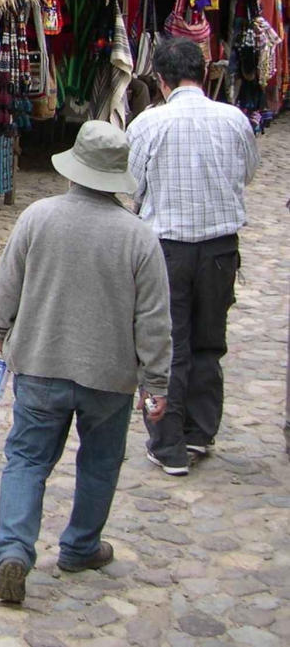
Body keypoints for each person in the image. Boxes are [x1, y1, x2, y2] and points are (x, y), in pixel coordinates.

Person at [0, 120, 171, 604]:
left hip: (41, 362)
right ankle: (80, 546)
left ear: (74, 168)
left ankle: (13, 550)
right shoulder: (139, 238)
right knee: (100, 462)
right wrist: (157, 382)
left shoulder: (37, 217)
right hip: (108, 377)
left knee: (26, 459)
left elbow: (7, 287)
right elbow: (153, 320)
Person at [127, 37, 258, 476]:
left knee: (166, 345)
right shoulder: (234, 119)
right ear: (201, 74)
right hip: (221, 249)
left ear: (161, 80)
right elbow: (247, 172)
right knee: (208, 341)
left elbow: (134, 185)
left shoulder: (149, 124)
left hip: (167, 249)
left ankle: (167, 444)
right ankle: (200, 432)